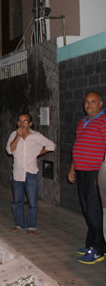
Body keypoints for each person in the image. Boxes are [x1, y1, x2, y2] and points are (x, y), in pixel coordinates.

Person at [67, 91, 106, 264]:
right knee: (87, 210)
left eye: (93, 102)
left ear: (100, 104)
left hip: (95, 173)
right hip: (82, 171)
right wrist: (72, 168)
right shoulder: (83, 122)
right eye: (86, 102)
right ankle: (91, 243)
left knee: (95, 211)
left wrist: (102, 173)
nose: (89, 105)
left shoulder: (104, 122)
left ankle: (99, 249)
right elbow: (78, 146)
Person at [6, 112, 55, 235]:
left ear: (30, 124)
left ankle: (32, 227)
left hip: (31, 173)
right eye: (20, 121)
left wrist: (37, 153)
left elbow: (51, 146)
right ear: (17, 123)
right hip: (17, 173)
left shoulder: (36, 136)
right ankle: (19, 224)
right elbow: (9, 150)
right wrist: (18, 136)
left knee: (32, 202)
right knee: (18, 201)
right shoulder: (13, 134)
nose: (22, 124)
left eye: (25, 121)